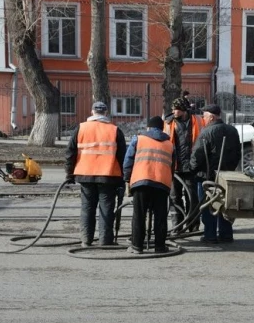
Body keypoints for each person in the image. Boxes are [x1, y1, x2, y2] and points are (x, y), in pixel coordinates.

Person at [65, 101, 127, 247]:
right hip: (108, 175)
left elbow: (70, 152)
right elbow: (122, 156)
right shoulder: (115, 130)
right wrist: (123, 178)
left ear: (92, 112)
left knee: (87, 208)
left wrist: (69, 174)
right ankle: (105, 241)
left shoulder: (81, 128)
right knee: (106, 209)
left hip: (85, 174)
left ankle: (86, 240)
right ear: (106, 113)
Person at [190, 104, 241, 243]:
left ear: (211, 117)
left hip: (207, 177)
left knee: (208, 206)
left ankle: (210, 235)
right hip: (227, 176)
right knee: (225, 205)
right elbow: (238, 153)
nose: (203, 119)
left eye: (204, 116)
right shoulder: (232, 130)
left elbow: (197, 156)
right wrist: (230, 168)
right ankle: (226, 234)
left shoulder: (206, 132)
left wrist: (192, 171)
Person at [123, 116, 174, 254]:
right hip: (162, 184)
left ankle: (137, 246)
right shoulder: (169, 144)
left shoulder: (138, 139)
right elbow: (172, 166)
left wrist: (127, 179)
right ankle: (160, 247)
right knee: (160, 216)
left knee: (139, 215)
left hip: (141, 182)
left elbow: (128, 160)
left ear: (149, 128)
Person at [164, 97, 204, 233]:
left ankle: (192, 225)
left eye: (177, 109)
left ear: (184, 110)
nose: (174, 111)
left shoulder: (197, 120)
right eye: (173, 109)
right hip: (174, 166)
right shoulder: (169, 123)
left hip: (191, 166)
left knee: (192, 196)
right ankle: (177, 225)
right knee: (174, 197)